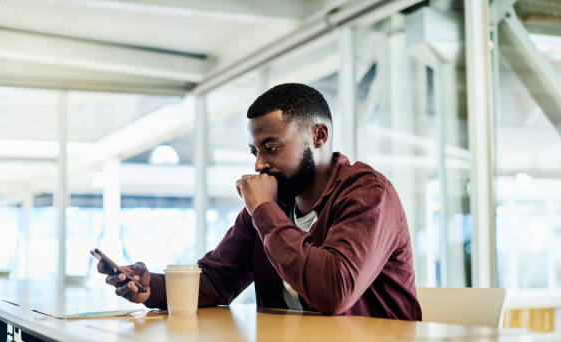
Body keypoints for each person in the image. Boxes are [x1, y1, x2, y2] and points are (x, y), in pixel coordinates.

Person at [99, 83, 421, 319]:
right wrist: (150, 287)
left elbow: (334, 292)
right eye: (255, 151)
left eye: (272, 147)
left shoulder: (367, 193)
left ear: (318, 136)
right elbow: (218, 279)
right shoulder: (274, 201)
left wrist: (264, 211)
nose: (259, 164)